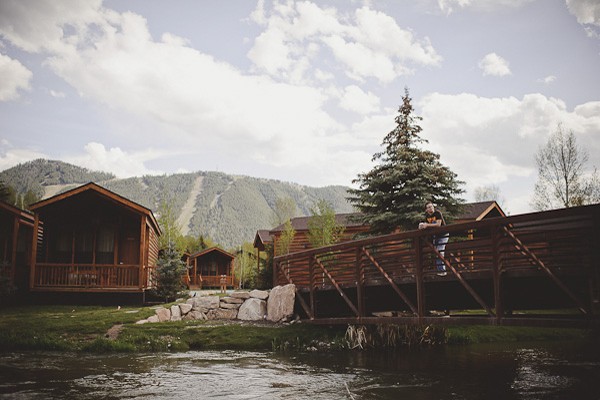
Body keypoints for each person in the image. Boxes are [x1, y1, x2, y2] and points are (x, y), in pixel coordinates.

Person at [418, 202, 449, 276]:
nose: (431, 208)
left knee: (439, 251)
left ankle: (442, 271)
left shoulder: (437, 213)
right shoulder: (427, 217)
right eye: (428, 207)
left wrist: (426, 225)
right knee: (436, 252)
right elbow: (426, 226)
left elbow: (438, 224)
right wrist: (421, 226)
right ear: (426, 209)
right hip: (436, 236)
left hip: (443, 234)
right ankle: (440, 270)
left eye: (431, 206)